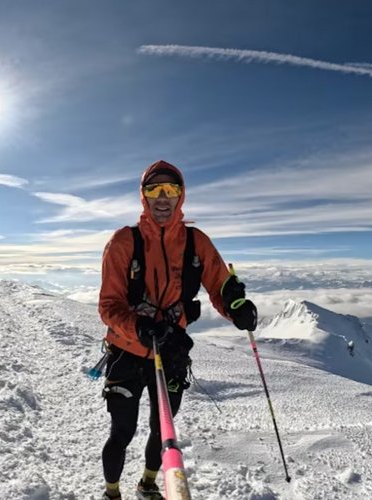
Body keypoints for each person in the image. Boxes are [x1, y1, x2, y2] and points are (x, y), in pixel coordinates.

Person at [97, 160, 258, 499]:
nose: (162, 197)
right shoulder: (124, 242)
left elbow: (220, 284)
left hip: (169, 350)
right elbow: (109, 306)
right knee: (121, 431)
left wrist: (236, 306)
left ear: (181, 196)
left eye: (171, 190)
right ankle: (112, 492)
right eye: (154, 189)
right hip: (127, 349)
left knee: (162, 429)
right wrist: (138, 327)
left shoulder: (196, 243)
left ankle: (148, 483)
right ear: (143, 196)